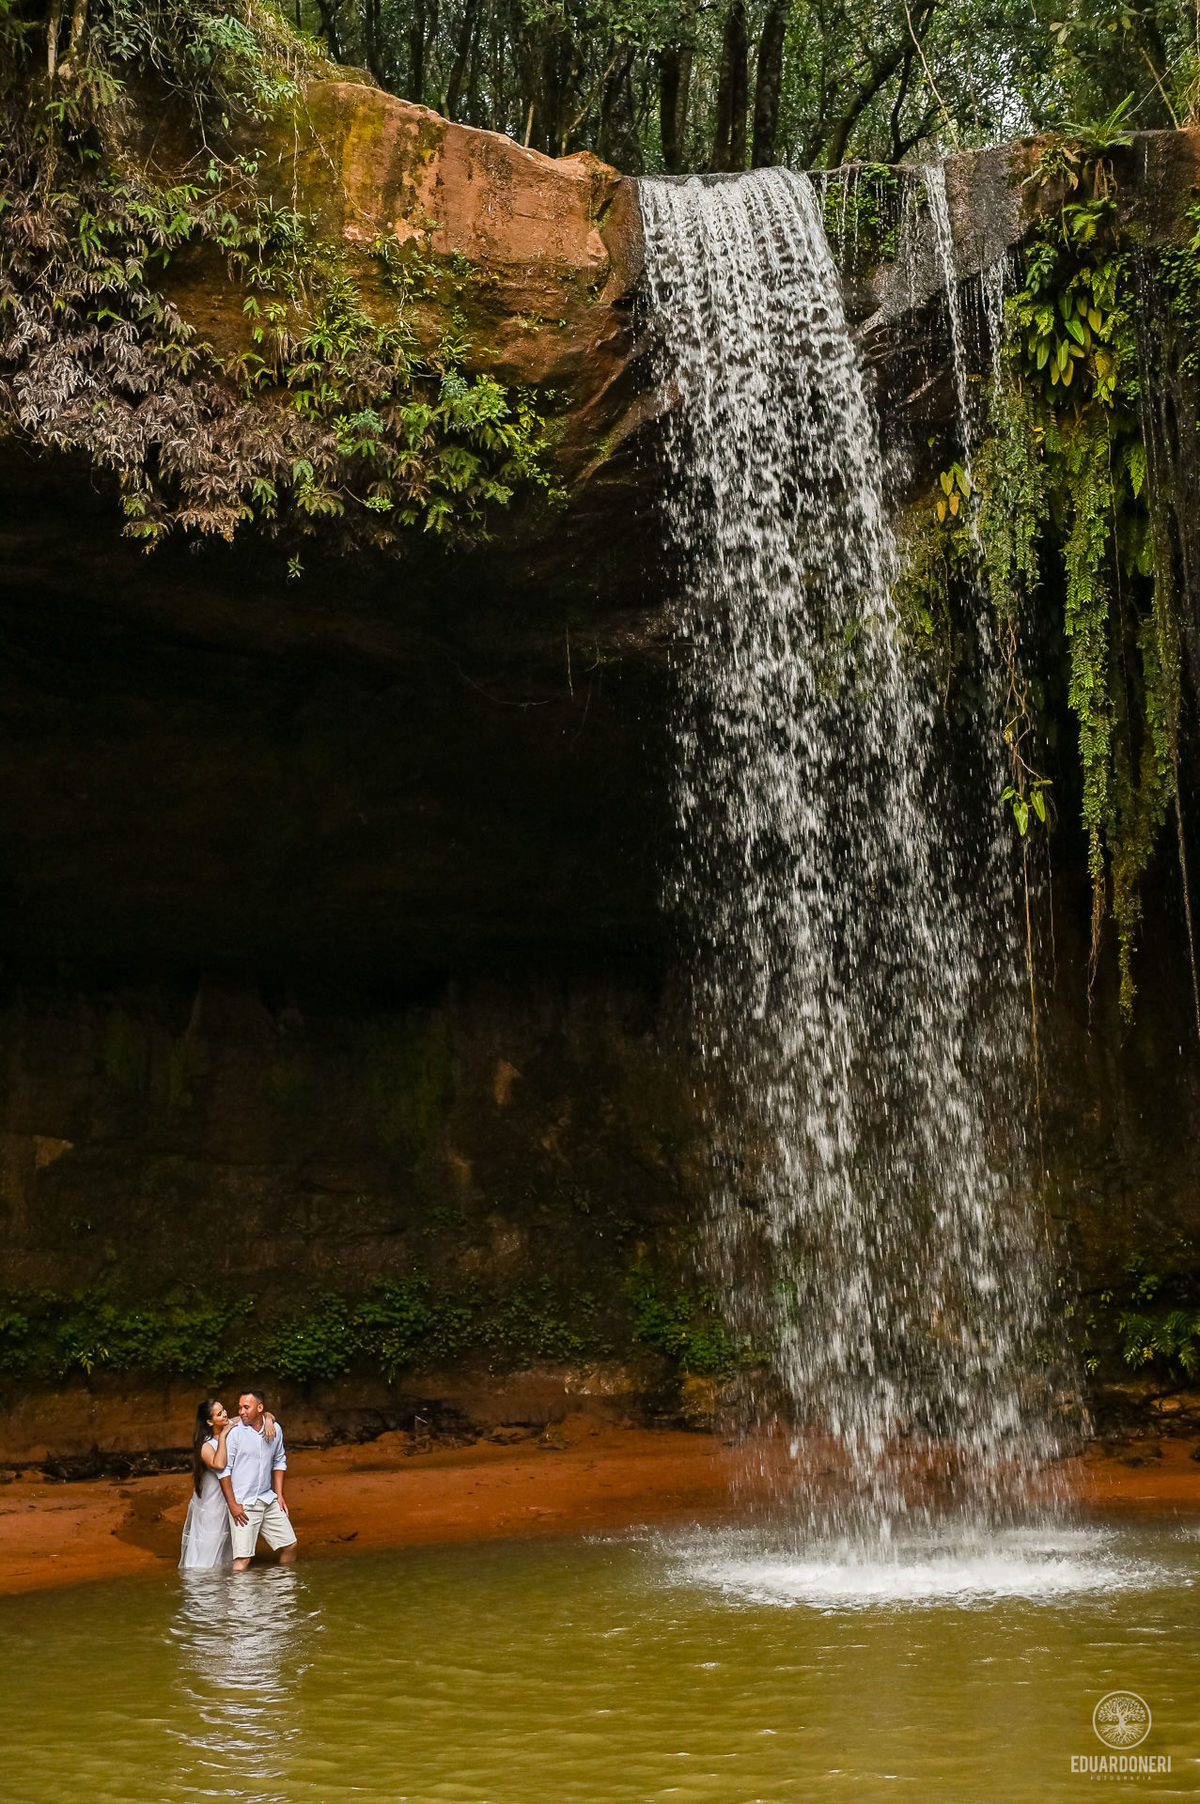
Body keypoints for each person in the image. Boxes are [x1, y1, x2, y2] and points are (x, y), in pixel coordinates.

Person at [180, 1397, 279, 1570]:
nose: (225, 1414)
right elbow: (219, 1464)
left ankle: (227, 1578)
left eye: (224, 1410)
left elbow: (261, 1414)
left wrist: (269, 1421)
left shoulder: (231, 1423)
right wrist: (223, 1436)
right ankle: (203, 1578)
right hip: (212, 1501)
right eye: (219, 1414)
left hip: (231, 1494)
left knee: (231, 1538)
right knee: (211, 1540)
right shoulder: (206, 1445)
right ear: (210, 1422)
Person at [221, 1390, 297, 1572]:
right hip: (243, 1504)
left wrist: (279, 1494)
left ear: (260, 1408)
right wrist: (232, 1505)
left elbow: (279, 1460)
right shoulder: (235, 1432)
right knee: (243, 1559)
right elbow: (224, 1470)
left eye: (246, 1407)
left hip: (267, 1499)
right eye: (240, 1407)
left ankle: (282, 1587)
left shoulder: (275, 1429)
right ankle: (237, 1591)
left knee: (291, 1545)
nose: (241, 1411)